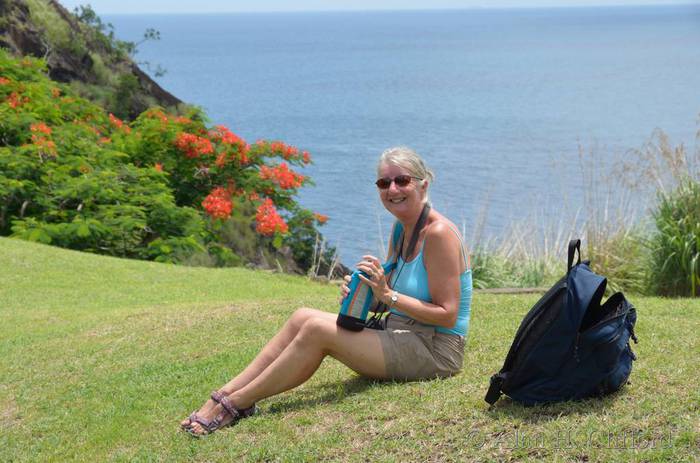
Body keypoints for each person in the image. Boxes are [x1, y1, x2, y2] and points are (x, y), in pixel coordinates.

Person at [181, 146, 472, 436]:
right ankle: (222, 394)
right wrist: (365, 292)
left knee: (317, 331)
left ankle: (234, 404)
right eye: (384, 183)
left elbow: (447, 316)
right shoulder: (402, 228)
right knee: (302, 317)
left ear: (423, 184)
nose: (392, 189)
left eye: (402, 180)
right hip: (401, 331)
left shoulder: (438, 234)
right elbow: (394, 297)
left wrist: (387, 295)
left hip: (436, 350)